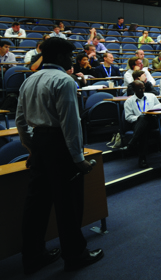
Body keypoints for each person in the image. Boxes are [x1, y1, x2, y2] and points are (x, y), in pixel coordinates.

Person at [15, 37, 104, 274]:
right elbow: (70, 124)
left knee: (36, 204)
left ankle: (33, 255)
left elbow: (20, 121)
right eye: (70, 55)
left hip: (40, 143)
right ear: (61, 57)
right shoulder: (64, 80)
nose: (72, 59)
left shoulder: (29, 79)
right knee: (68, 205)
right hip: (60, 145)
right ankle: (75, 255)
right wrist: (78, 159)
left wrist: (31, 149)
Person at [123, 80, 160, 168]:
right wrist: (139, 117)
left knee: (144, 120)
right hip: (138, 123)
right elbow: (128, 117)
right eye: (139, 89)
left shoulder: (151, 96)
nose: (142, 91)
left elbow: (159, 107)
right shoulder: (129, 101)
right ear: (134, 90)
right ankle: (142, 158)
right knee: (143, 124)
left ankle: (132, 143)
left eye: (143, 88)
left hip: (153, 121)